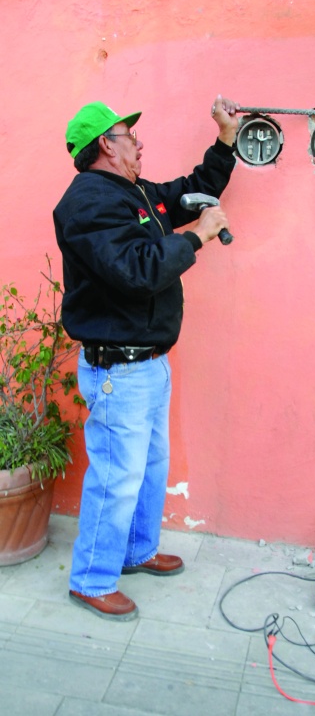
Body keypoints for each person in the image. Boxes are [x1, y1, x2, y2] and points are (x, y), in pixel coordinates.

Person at [53, 96, 239, 621]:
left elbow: (191, 190)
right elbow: (135, 270)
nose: (139, 143)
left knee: (149, 469)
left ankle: (136, 551)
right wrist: (196, 236)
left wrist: (225, 139)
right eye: (129, 136)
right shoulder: (87, 204)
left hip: (149, 363)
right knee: (117, 477)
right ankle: (91, 580)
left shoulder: (134, 192)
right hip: (118, 370)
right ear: (106, 146)